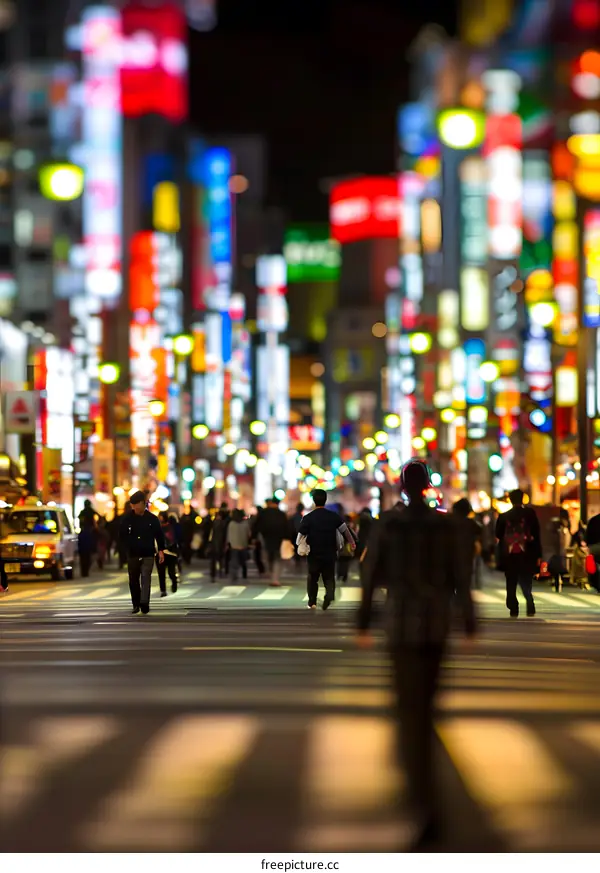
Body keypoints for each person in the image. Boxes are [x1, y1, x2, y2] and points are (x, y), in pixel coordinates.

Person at [357, 459, 476, 850]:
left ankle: (420, 795)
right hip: (437, 622)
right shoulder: (447, 526)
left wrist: (362, 621)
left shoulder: (389, 525)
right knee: (428, 703)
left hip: (401, 622)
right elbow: (461, 575)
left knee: (409, 709)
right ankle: (427, 792)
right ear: (428, 485)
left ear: (401, 487)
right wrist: (470, 620)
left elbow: (372, 574)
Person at [298, 489, 356, 610]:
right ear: (325, 500)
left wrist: (299, 544)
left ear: (314, 501)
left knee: (313, 577)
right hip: (330, 552)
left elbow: (300, 535)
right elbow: (345, 530)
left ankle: (312, 602)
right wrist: (351, 543)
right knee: (329, 576)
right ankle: (329, 596)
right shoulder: (333, 516)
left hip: (314, 552)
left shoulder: (308, 517)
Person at [495, 489, 541, 618]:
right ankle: (529, 601)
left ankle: (513, 607)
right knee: (526, 579)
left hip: (510, 554)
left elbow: (498, 534)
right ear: (523, 499)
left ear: (510, 500)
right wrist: (538, 554)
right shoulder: (530, 514)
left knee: (511, 581)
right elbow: (537, 534)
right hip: (527, 553)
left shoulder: (504, 516)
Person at [119, 491, 165, 615]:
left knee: (146, 577)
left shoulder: (152, 519)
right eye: (132, 505)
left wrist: (161, 550)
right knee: (133, 579)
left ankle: (144, 603)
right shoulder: (127, 519)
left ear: (143, 503)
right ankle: (136, 604)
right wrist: (124, 550)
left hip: (148, 553)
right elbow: (121, 536)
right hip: (133, 553)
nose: (134, 507)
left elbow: (159, 536)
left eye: (136, 504)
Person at [254, 497, 291, 587]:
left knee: (268, 557)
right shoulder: (281, 514)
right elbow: (287, 527)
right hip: (279, 539)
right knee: (277, 558)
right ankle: (275, 579)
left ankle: (270, 573)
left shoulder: (263, 513)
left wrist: (253, 537)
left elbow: (256, 526)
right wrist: (288, 538)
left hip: (266, 538)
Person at [452, 498, 483, 589]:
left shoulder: (449, 523)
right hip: (467, 554)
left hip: (452, 555)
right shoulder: (472, 524)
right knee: (465, 579)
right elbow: (479, 534)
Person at [156, 511, 180, 596]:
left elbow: (175, 538)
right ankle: (163, 590)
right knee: (161, 573)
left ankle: (174, 582)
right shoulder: (157, 528)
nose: (159, 518)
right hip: (159, 552)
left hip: (171, 553)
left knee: (171, 572)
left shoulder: (171, 527)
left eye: (161, 517)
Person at [227, 508, 251, 582]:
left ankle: (234, 576)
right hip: (243, 544)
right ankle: (244, 574)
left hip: (234, 545)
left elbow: (229, 535)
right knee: (243, 561)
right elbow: (248, 534)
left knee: (234, 561)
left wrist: (228, 543)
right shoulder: (245, 523)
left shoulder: (231, 524)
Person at [209, 505, 231, 582]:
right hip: (218, 544)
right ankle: (219, 573)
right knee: (220, 559)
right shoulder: (223, 524)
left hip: (216, 544)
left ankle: (214, 574)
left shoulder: (214, 523)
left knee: (215, 560)